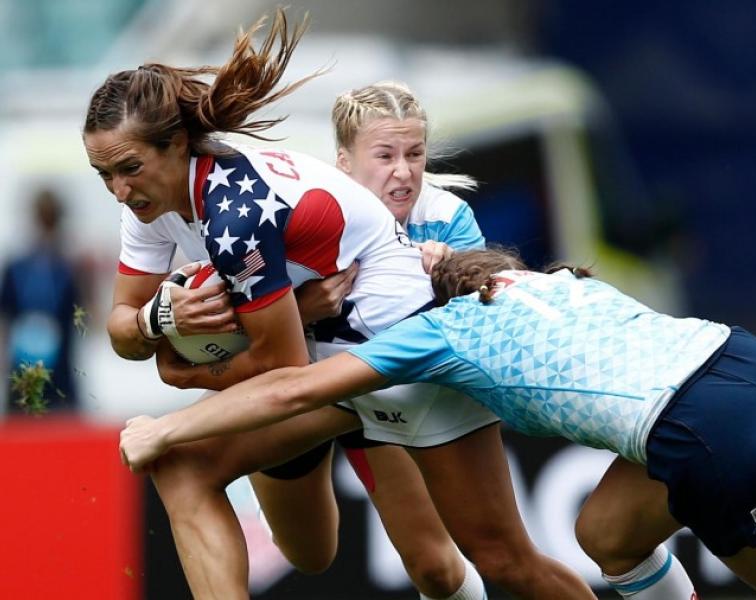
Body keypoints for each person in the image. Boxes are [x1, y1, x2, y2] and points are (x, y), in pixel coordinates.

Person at [84, 9, 592, 600]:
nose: (118, 190)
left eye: (128, 169)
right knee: (311, 550)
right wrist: (158, 319)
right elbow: (122, 328)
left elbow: (282, 369)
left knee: (477, 562)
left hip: (393, 361)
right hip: (327, 364)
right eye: (103, 175)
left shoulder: (235, 216)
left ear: (176, 145)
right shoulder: (150, 201)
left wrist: (182, 376)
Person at [121, 247, 756, 600]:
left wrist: (167, 430)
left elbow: (291, 390)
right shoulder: (555, 282)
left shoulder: (440, 331)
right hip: (748, 361)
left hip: (703, 432)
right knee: (607, 535)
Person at [258, 79, 490, 598]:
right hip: (296, 386)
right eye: (385, 156)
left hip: (378, 396)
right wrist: (301, 308)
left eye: (415, 154)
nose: (403, 172)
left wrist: (451, 279)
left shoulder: (447, 219)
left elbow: (486, 324)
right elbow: (242, 318)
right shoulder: (299, 213)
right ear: (343, 162)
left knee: (435, 567)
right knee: (309, 555)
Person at [0, 187, 83, 413]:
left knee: (59, 415)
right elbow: (5, 314)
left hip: (60, 366)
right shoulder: (17, 266)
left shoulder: (70, 267)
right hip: (22, 363)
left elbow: (83, 314)